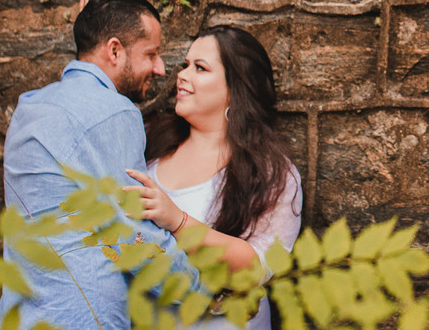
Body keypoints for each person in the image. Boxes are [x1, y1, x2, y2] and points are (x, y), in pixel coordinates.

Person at [0, 0, 199, 330]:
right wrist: (201, 290)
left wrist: (98, 15)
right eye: (151, 53)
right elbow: (132, 234)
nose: (160, 68)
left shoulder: (30, 107)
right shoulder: (113, 113)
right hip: (79, 316)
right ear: (114, 50)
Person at [124, 25, 302, 330]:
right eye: (185, 65)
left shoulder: (272, 172)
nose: (182, 75)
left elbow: (258, 267)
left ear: (236, 88)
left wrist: (178, 221)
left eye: (200, 68)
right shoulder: (149, 139)